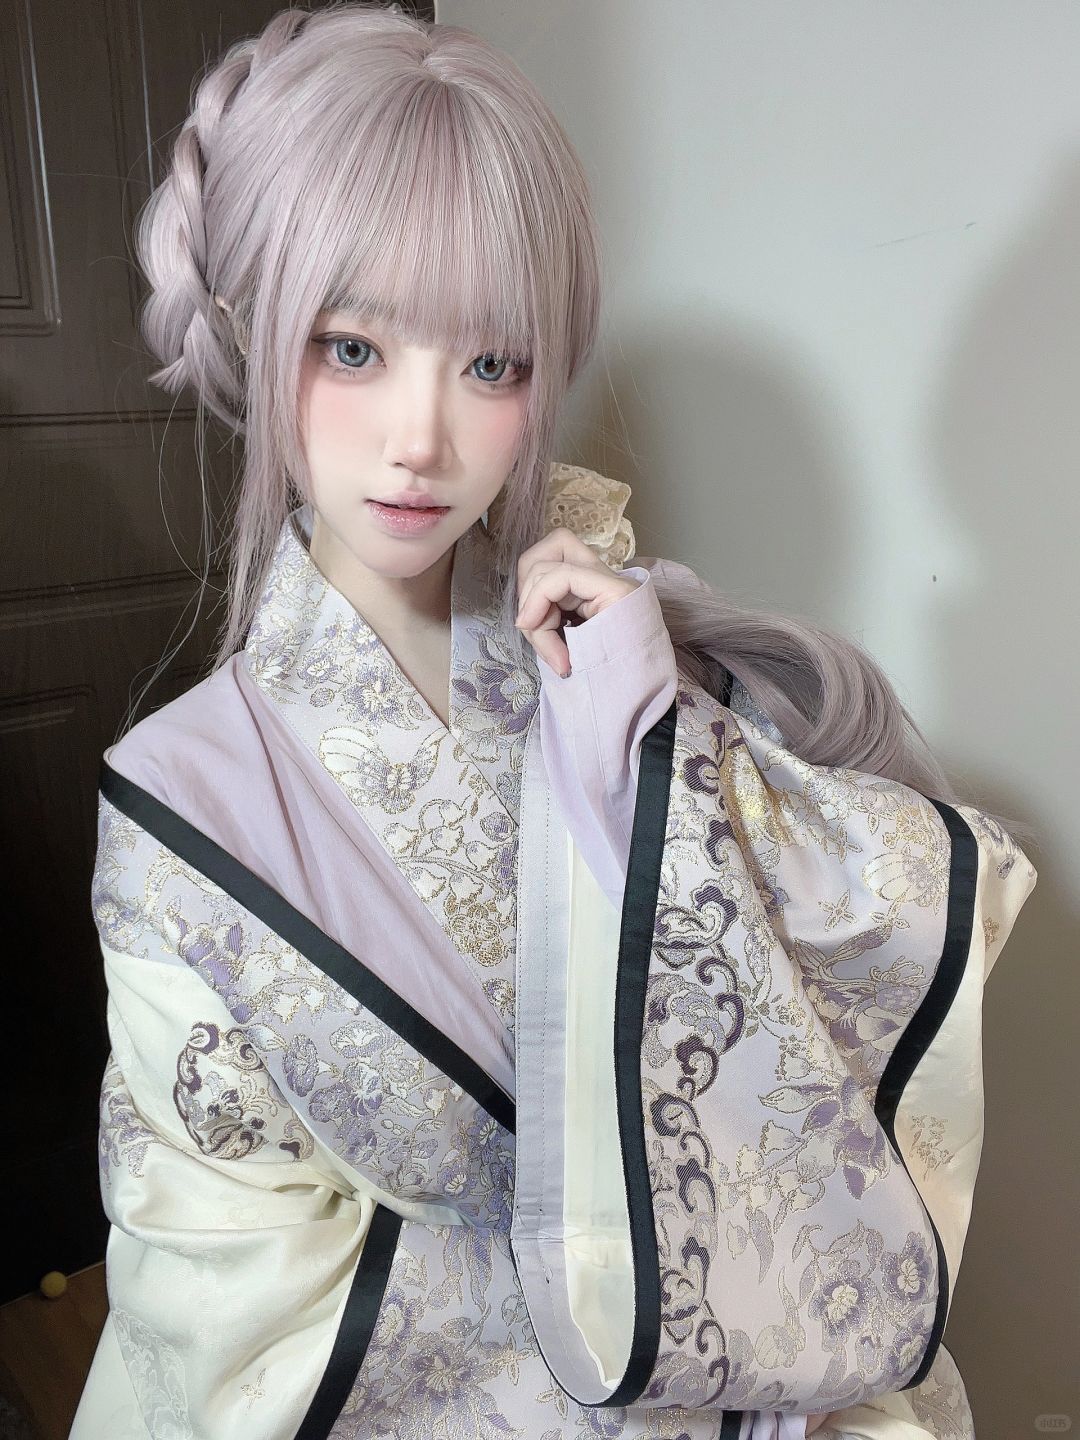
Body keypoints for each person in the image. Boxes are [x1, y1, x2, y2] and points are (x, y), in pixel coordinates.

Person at [70, 5, 1036, 1438]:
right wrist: (602, 1293)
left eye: (491, 366)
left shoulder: (609, 648)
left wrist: (665, 752)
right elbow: (234, 1302)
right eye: (351, 347)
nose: (420, 439)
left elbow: (849, 968)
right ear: (241, 326)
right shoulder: (179, 807)